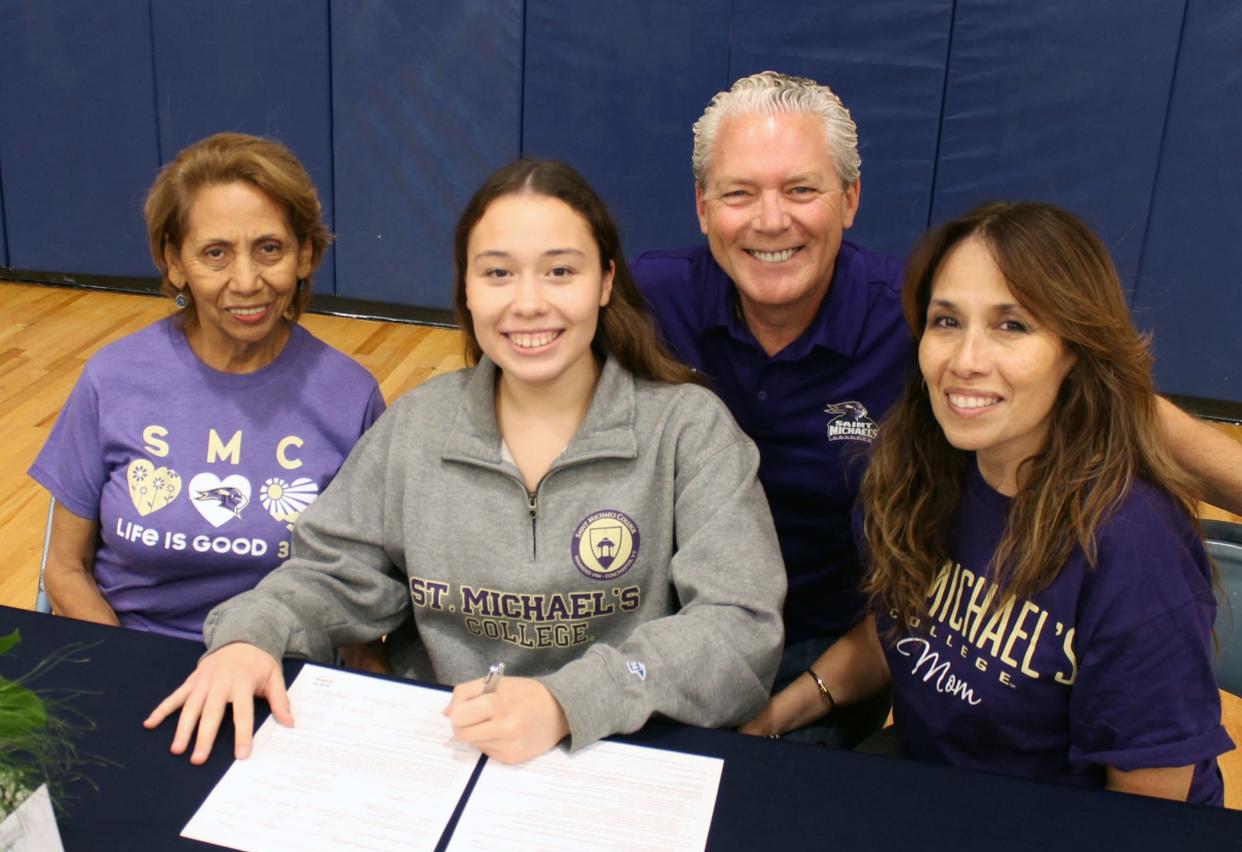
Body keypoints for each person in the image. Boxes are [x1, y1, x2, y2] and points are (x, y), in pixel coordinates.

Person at [631, 70, 1242, 747]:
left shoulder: (927, 318)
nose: (771, 219)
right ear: (702, 207)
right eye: (740, 193)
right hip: (680, 621)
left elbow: (1113, 397)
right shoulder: (647, 300)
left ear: (850, 198)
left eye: (801, 189)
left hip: (842, 643)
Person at [144, 158, 786, 766]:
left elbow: (739, 632)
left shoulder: (688, 430)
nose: (528, 303)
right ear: (468, 291)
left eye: (561, 271)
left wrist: (570, 702)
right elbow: (328, 574)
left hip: (618, 761)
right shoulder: (419, 426)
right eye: (498, 273)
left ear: (606, 282)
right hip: (439, 756)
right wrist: (249, 636)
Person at [742, 201, 1232, 804]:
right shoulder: (923, 470)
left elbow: (1149, 815)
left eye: (1012, 325)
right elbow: (903, 628)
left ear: (1074, 349)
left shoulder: (1133, 546)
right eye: (946, 322)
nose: (966, 361)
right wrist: (770, 720)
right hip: (938, 789)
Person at [29, 133, 386, 642]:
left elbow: (360, 589)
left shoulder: (352, 398)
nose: (246, 281)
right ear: (174, 261)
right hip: (135, 656)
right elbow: (64, 570)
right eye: (215, 253)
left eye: (270, 249)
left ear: (305, 254)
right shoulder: (112, 379)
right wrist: (126, 664)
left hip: (282, 668)